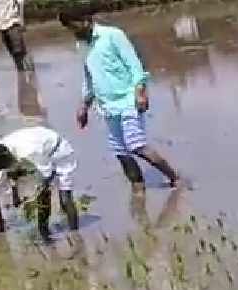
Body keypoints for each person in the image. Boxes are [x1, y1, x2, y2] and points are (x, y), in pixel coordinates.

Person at [60, 9, 179, 191]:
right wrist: (84, 105)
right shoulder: (82, 45)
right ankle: (138, 189)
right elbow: (89, 76)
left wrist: (140, 92)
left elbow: (135, 65)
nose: (74, 31)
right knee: (120, 151)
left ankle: (175, 178)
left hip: (127, 100)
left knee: (136, 145)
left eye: (74, 26)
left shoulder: (113, 35)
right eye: (69, 29)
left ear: (85, 20)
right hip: (107, 105)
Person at [0, 126, 80, 239]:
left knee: (63, 198)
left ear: (7, 158)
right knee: (42, 196)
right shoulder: (1, 150)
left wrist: (34, 196)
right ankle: (44, 230)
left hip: (59, 152)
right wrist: (15, 194)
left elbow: (46, 177)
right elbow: (9, 174)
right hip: (41, 148)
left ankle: (75, 233)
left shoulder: (28, 152)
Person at [0, 0, 33, 71]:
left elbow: (20, 3)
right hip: (1, 25)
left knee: (19, 50)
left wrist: (21, 22)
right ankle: (21, 71)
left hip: (13, 22)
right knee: (12, 52)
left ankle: (28, 72)